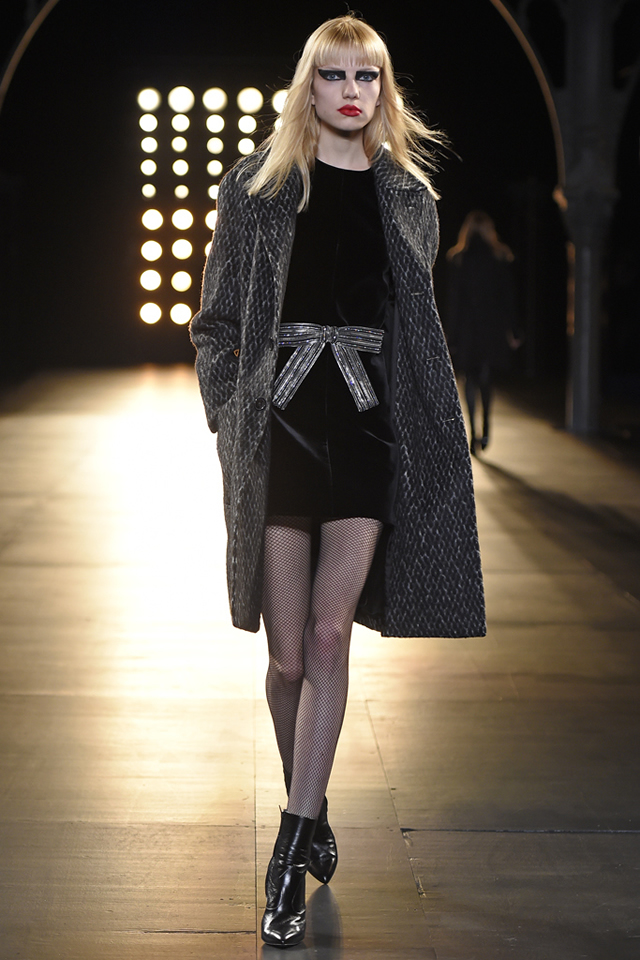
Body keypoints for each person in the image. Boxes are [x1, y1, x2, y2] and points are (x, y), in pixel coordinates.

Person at [190, 13, 485, 948]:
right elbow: (214, 323)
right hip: (277, 432)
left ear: (383, 90)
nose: (351, 92)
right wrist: (229, 414)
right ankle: (310, 807)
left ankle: (285, 855)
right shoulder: (258, 188)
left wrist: (428, 430)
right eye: (334, 75)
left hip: (365, 431)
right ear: (307, 86)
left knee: (328, 634)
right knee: (286, 659)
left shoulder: (407, 198)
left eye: (367, 76)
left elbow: (416, 331)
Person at [446, 210, 520, 454]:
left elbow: (454, 301)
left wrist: (451, 335)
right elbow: (508, 298)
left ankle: (473, 432)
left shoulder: (459, 258)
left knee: (469, 378)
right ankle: (486, 427)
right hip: (491, 326)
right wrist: (513, 330)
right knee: (486, 378)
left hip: (468, 327)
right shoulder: (499, 257)